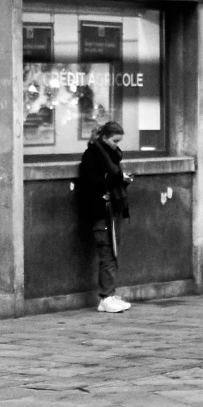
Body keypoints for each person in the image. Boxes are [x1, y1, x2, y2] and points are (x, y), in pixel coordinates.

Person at [77, 118, 132, 312]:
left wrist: (120, 180)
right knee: (107, 252)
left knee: (112, 252)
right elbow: (91, 182)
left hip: (112, 208)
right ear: (106, 138)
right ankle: (105, 296)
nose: (117, 145)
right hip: (101, 211)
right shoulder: (93, 155)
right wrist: (114, 180)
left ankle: (109, 293)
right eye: (115, 141)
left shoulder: (111, 155)